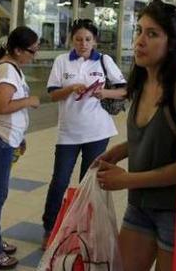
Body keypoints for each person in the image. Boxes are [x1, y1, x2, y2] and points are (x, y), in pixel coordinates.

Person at [95, 0, 176, 271]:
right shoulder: (142, 81)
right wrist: (121, 150)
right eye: (139, 31)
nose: (139, 41)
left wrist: (126, 180)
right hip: (140, 206)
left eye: (152, 33)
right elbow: (156, 136)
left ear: (172, 43)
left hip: (174, 211)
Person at [41, 19, 127, 247]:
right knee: (59, 181)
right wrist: (70, 88)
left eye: (88, 39)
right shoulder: (62, 61)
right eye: (78, 39)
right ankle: (49, 229)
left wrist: (104, 92)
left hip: (98, 131)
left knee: (87, 183)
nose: (83, 43)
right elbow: (52, 95)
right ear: (72, 40)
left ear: (95, 41)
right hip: (68, 132)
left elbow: (125, 91)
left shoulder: (104, 61)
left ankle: (82, 231)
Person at [0, 26, 41, 269]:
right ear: (17, 50)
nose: (34, 56)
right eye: (32, 51)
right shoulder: (6, 70)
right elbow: (3, 106)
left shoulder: (10, 66)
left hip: (4, 137)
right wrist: (30, 100)